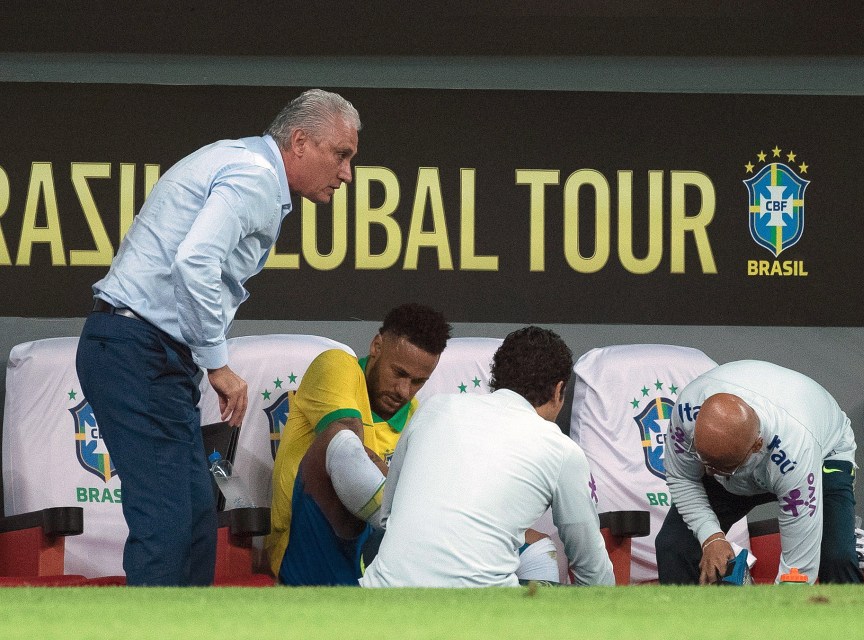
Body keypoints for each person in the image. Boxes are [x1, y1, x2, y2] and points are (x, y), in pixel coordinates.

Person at [74, 89, 361, 586]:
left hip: (147, 353)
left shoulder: (247, 166)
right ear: (299, 141)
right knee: (167, 524)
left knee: (194, 522)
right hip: (135, 351)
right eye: (341, 155)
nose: (347, 173)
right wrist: (218, 366)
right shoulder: (254, 176)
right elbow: (196, 261)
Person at [360, 326, 615, 587]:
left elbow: (387, 517)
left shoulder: (433, 408)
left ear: (497, 377)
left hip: (380, 602)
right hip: (479, 617)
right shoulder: (561, 449)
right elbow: (591, 567)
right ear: (559, 390)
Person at [266, 303, 451, 585]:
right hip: (310, 547)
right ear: (377, 346)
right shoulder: (337, 364)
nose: (404, 391)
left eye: (418, 382)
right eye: (398, 373)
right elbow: (349, 453)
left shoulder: (416, 418)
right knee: (341, 443)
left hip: (378, 557)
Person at [655, 359, 863, 585]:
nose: (708, 471)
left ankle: (848, 619)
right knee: (674, 546)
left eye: (720, 467)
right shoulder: (687, 412)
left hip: (824, 452)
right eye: (703, 459)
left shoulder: (795, 454)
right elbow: (682, 477)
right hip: (747, 460)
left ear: (757, 445)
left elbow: (799, 570)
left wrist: (775, 616)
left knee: (837, 557)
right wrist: (710, 537)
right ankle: (686, 620)